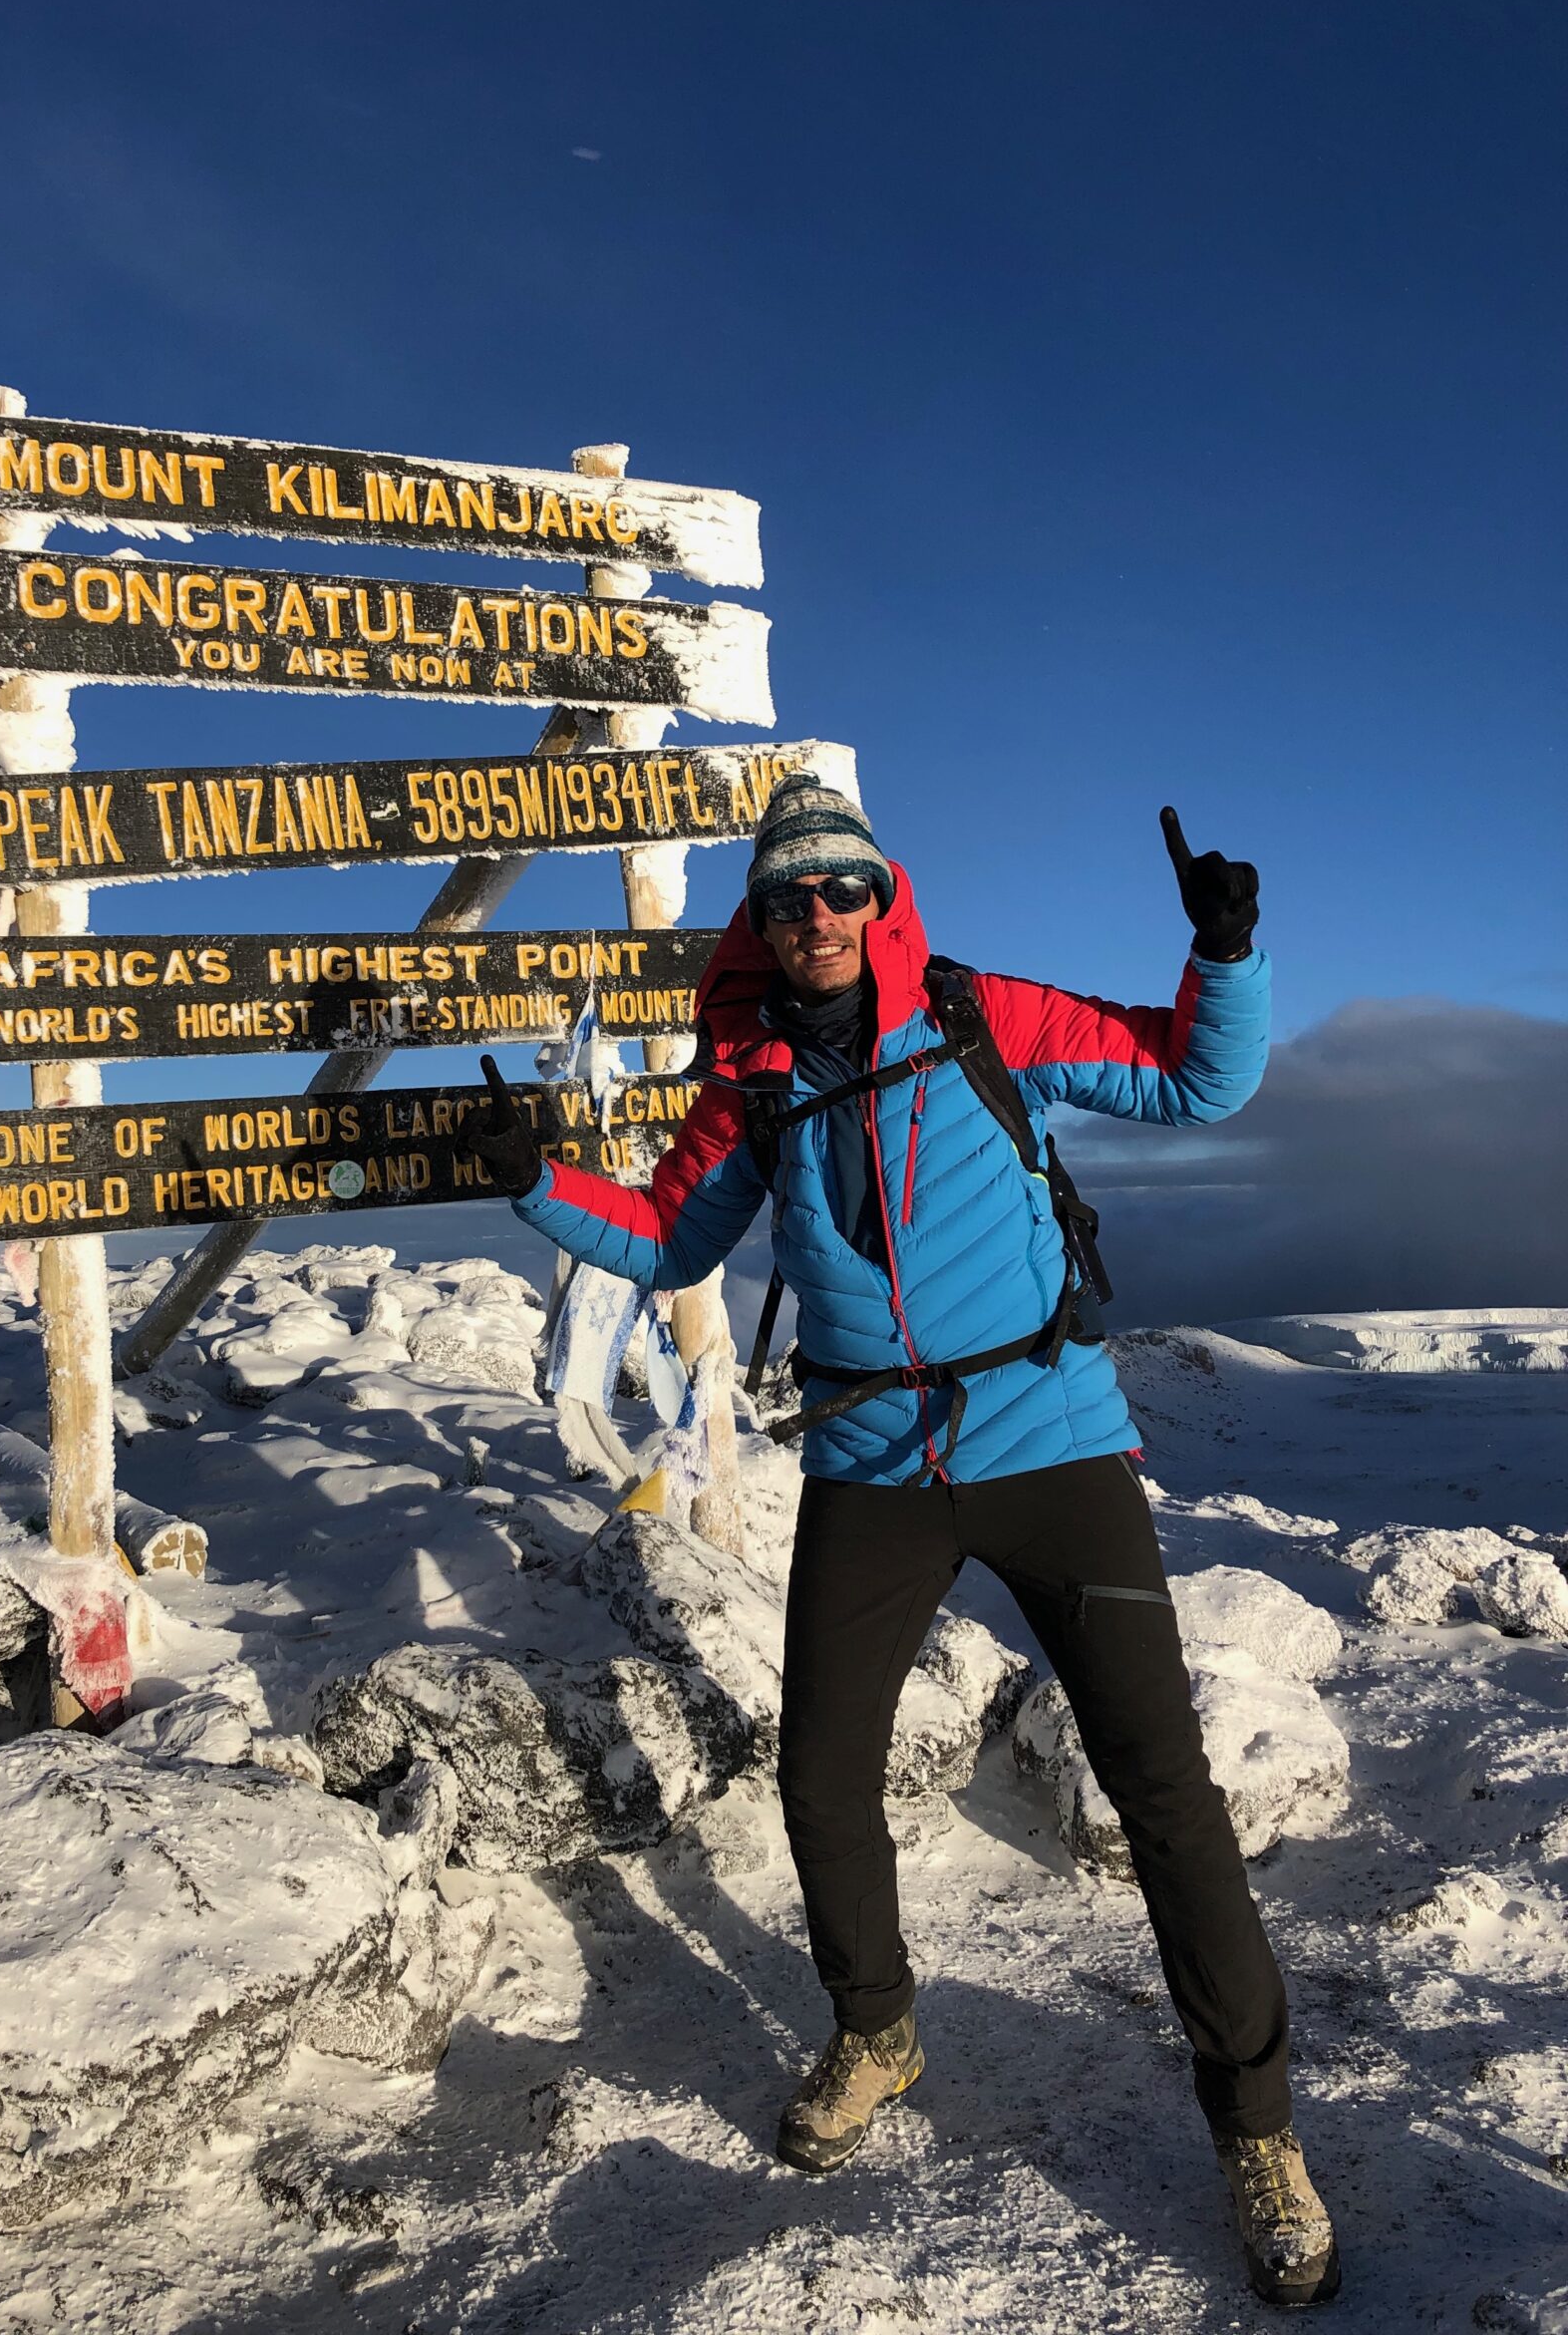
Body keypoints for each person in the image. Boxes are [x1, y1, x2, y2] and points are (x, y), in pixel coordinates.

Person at [454, 772, 1339, 2309]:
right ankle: (877, 2029)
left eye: (841, 890)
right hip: (871, 1458)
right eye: (787, 897)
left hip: (1050, 1439)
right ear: (763, 915)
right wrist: (534, 1183)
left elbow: (1199, 1082)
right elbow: (671, 1237)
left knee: (1164, 1790)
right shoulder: (752, 1078)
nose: (816, 918)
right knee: (821, 1770)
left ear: (883, 896)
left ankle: (1258, 2130)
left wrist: (1228, 953)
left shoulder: (982, 1013)